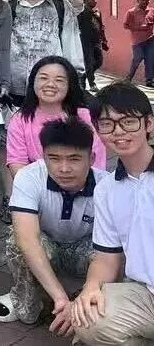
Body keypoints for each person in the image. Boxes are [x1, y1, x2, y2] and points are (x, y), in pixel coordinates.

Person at [0, 119, 107, 327]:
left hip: (85, 247)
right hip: (47, 243)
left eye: (74, 159)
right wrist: (61, 299)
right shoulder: (29, 177)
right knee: (16, 240)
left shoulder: (106, 185)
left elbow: (111, 249)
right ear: (44, 157)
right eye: (54, 158)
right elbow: (27, 240)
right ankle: (28, 300)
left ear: (92, 159)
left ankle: (86, 297)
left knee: (115, 249)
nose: (64, 168)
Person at [71, 82, 154, 345]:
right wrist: (90, 289)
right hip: (146, 295)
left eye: (128, 122)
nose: (118, 131)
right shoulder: (107, 189)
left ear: (149, 124)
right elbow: (107, 257)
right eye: (107, 124)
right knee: (86, 318)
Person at [7, 56, 106, 181]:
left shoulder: (85, 116)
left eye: (59, 80)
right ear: (32, 82)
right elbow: (17, 164)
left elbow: (97, 160)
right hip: (38, 186)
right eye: (43, 78)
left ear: (69, 85)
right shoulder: (20, 120)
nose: (50, 84)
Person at [6, 0, 86, 99]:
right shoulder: (8, 5)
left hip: (51, 81)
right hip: (15, 82)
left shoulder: (59, 4)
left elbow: (79, 5)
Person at [77, 0, 108, 91]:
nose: (95, 1)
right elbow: (77, 26)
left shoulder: (97, 13)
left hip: (96, 41)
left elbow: (101, 27)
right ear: (86, 0)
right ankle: (91, 84)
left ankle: (83, 76)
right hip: (85, 41)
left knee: (99, 61)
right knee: (89, 62)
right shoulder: (81, 12)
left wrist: (104, 40)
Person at [123, 0, 154, 86]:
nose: (145, 2)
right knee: (137, 58)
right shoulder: (131, 12)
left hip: (150, 39)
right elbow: (125, 25)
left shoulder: (152, 10)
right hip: (137, 41)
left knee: (150, 59)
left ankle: (149, 80)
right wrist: (139, 27)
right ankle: (128, 78)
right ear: (137, 0)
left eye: (147, 0)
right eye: (142, 0)